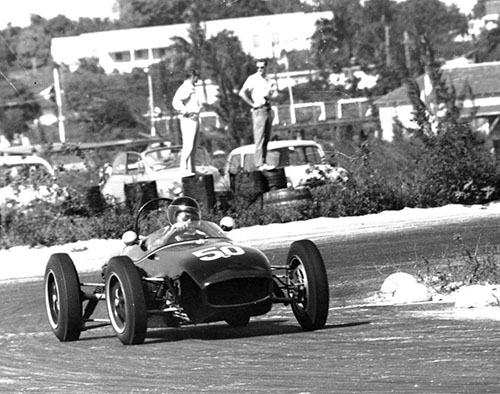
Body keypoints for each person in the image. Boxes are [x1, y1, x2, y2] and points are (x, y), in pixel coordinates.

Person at [239, 59, 277, 171]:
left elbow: (271, 93)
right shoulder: (253, 78)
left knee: (266, 138)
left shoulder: (268, 79)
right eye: (258, 67)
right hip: (259, 110)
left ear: (266, 67)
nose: (260, 70)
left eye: (262, 67)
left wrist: (270, 94)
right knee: (259, 138)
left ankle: (264, 161)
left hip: (267, 108)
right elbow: (242, 93)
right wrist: (253, 104)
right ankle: (259, 164)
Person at [172, 70, 201, 175]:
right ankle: (183, 169)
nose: (198, 79)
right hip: (188, 119)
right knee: (188, 144)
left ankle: (192, 169)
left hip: (194, 118)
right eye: (197, 77)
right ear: (193, 76)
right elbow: (176, 102)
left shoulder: (191, 88)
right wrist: (186, 112)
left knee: (193, 145)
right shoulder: (185, 88)